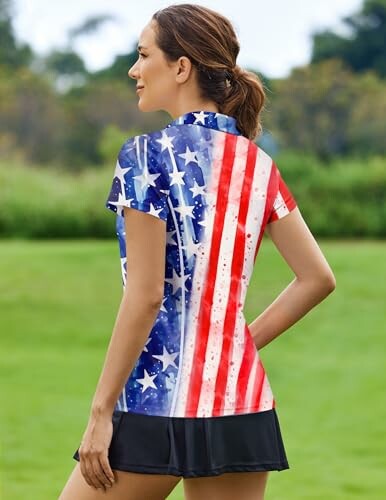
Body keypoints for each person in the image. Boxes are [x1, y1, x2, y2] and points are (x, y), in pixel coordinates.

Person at [59, 3, 336, 499]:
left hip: (155, 403)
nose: (134, 69)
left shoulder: (143, 157)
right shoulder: (258, 163)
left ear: (181, 67)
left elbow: (145, 297)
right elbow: (317, 278)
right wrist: (237, 344)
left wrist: (100, 413)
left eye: (144, 55)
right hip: (242, 404)